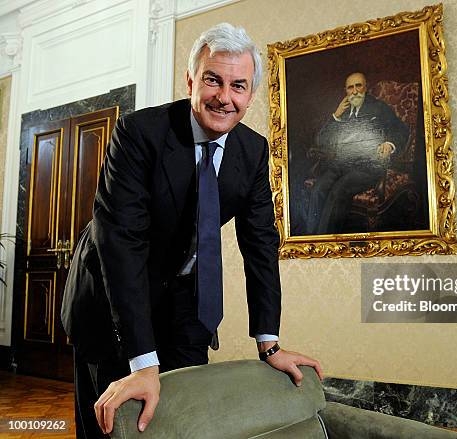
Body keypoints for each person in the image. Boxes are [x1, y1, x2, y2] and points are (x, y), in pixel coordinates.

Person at [61, 23, 322, 438]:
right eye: (213, 80)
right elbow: (121, 243)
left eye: (238, 85)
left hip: (185, 296)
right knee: (114, 424)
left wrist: (268, 343)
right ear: (191, 81)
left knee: (188, 412)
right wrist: (143, 362)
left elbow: (260, 242)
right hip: (111, 293)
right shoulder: (138, 134)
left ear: (250, 95)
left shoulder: (252, 151)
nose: (224, 97)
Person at [307, 72, 411, 234]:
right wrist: (336, 115)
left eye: (358, 86)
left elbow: (401, 129)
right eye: (350, 87)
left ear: (365, 87)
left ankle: (324, 243)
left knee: (339, 190)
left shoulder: (378, 107)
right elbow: (321, 140)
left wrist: (390, 144)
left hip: (368, 167)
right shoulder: (343, 111)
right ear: (346, 91)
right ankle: (309, 241)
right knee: (318, 189)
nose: (355, 91)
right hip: (341, 165)